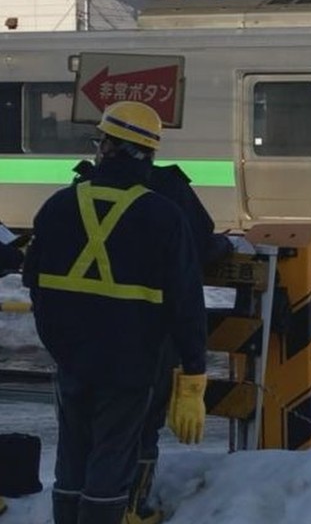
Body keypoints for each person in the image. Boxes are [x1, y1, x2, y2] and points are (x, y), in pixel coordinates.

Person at [23, 101, 209, 524]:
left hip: (73, 358)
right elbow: (186, 302)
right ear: (149, 156)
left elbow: (35, 283)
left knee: (72, 454)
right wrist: (193, 372)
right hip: (132, 361)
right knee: (112, 455)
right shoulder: (163, 215)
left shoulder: (57, 206)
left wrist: (60, 344)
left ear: (106, 147)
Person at [70, 121, 232, 524]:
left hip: (82, 338)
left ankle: (78, 511)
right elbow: (198, 252)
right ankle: (130, 508)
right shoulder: (169, 191)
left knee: (82, 435)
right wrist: (194, 368)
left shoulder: (77, 192)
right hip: (146, 338)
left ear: (109, 146)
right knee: (138, 430)